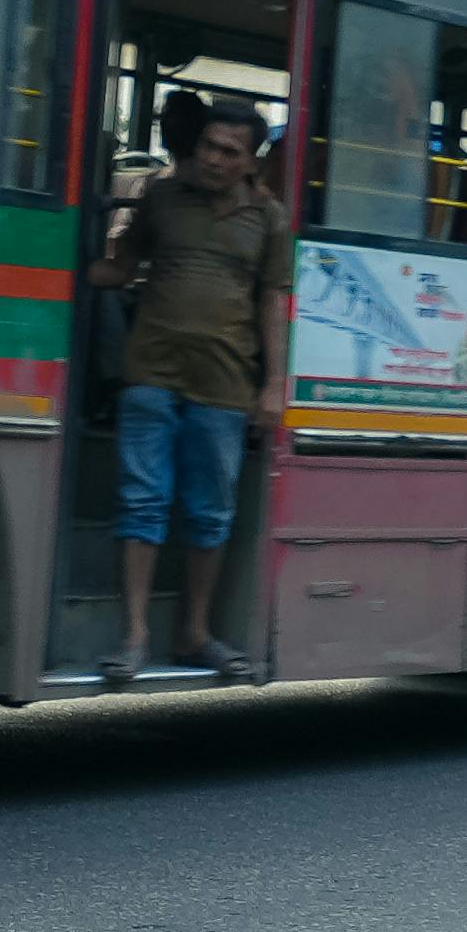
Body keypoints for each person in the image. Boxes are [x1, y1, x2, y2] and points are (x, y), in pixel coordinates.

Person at [92, 88, 292, 682]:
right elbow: (120, 267)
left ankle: (195, 633)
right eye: (208, 146)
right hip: (151, 374)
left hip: (226, 386)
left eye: (230, 152)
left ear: (251, 160)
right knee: (141, 504)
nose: (214, 159)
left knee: (209, 515)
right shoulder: (161, 198)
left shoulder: (270, 218)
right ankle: (134, 638)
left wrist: (274, 385)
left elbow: (273, 302)